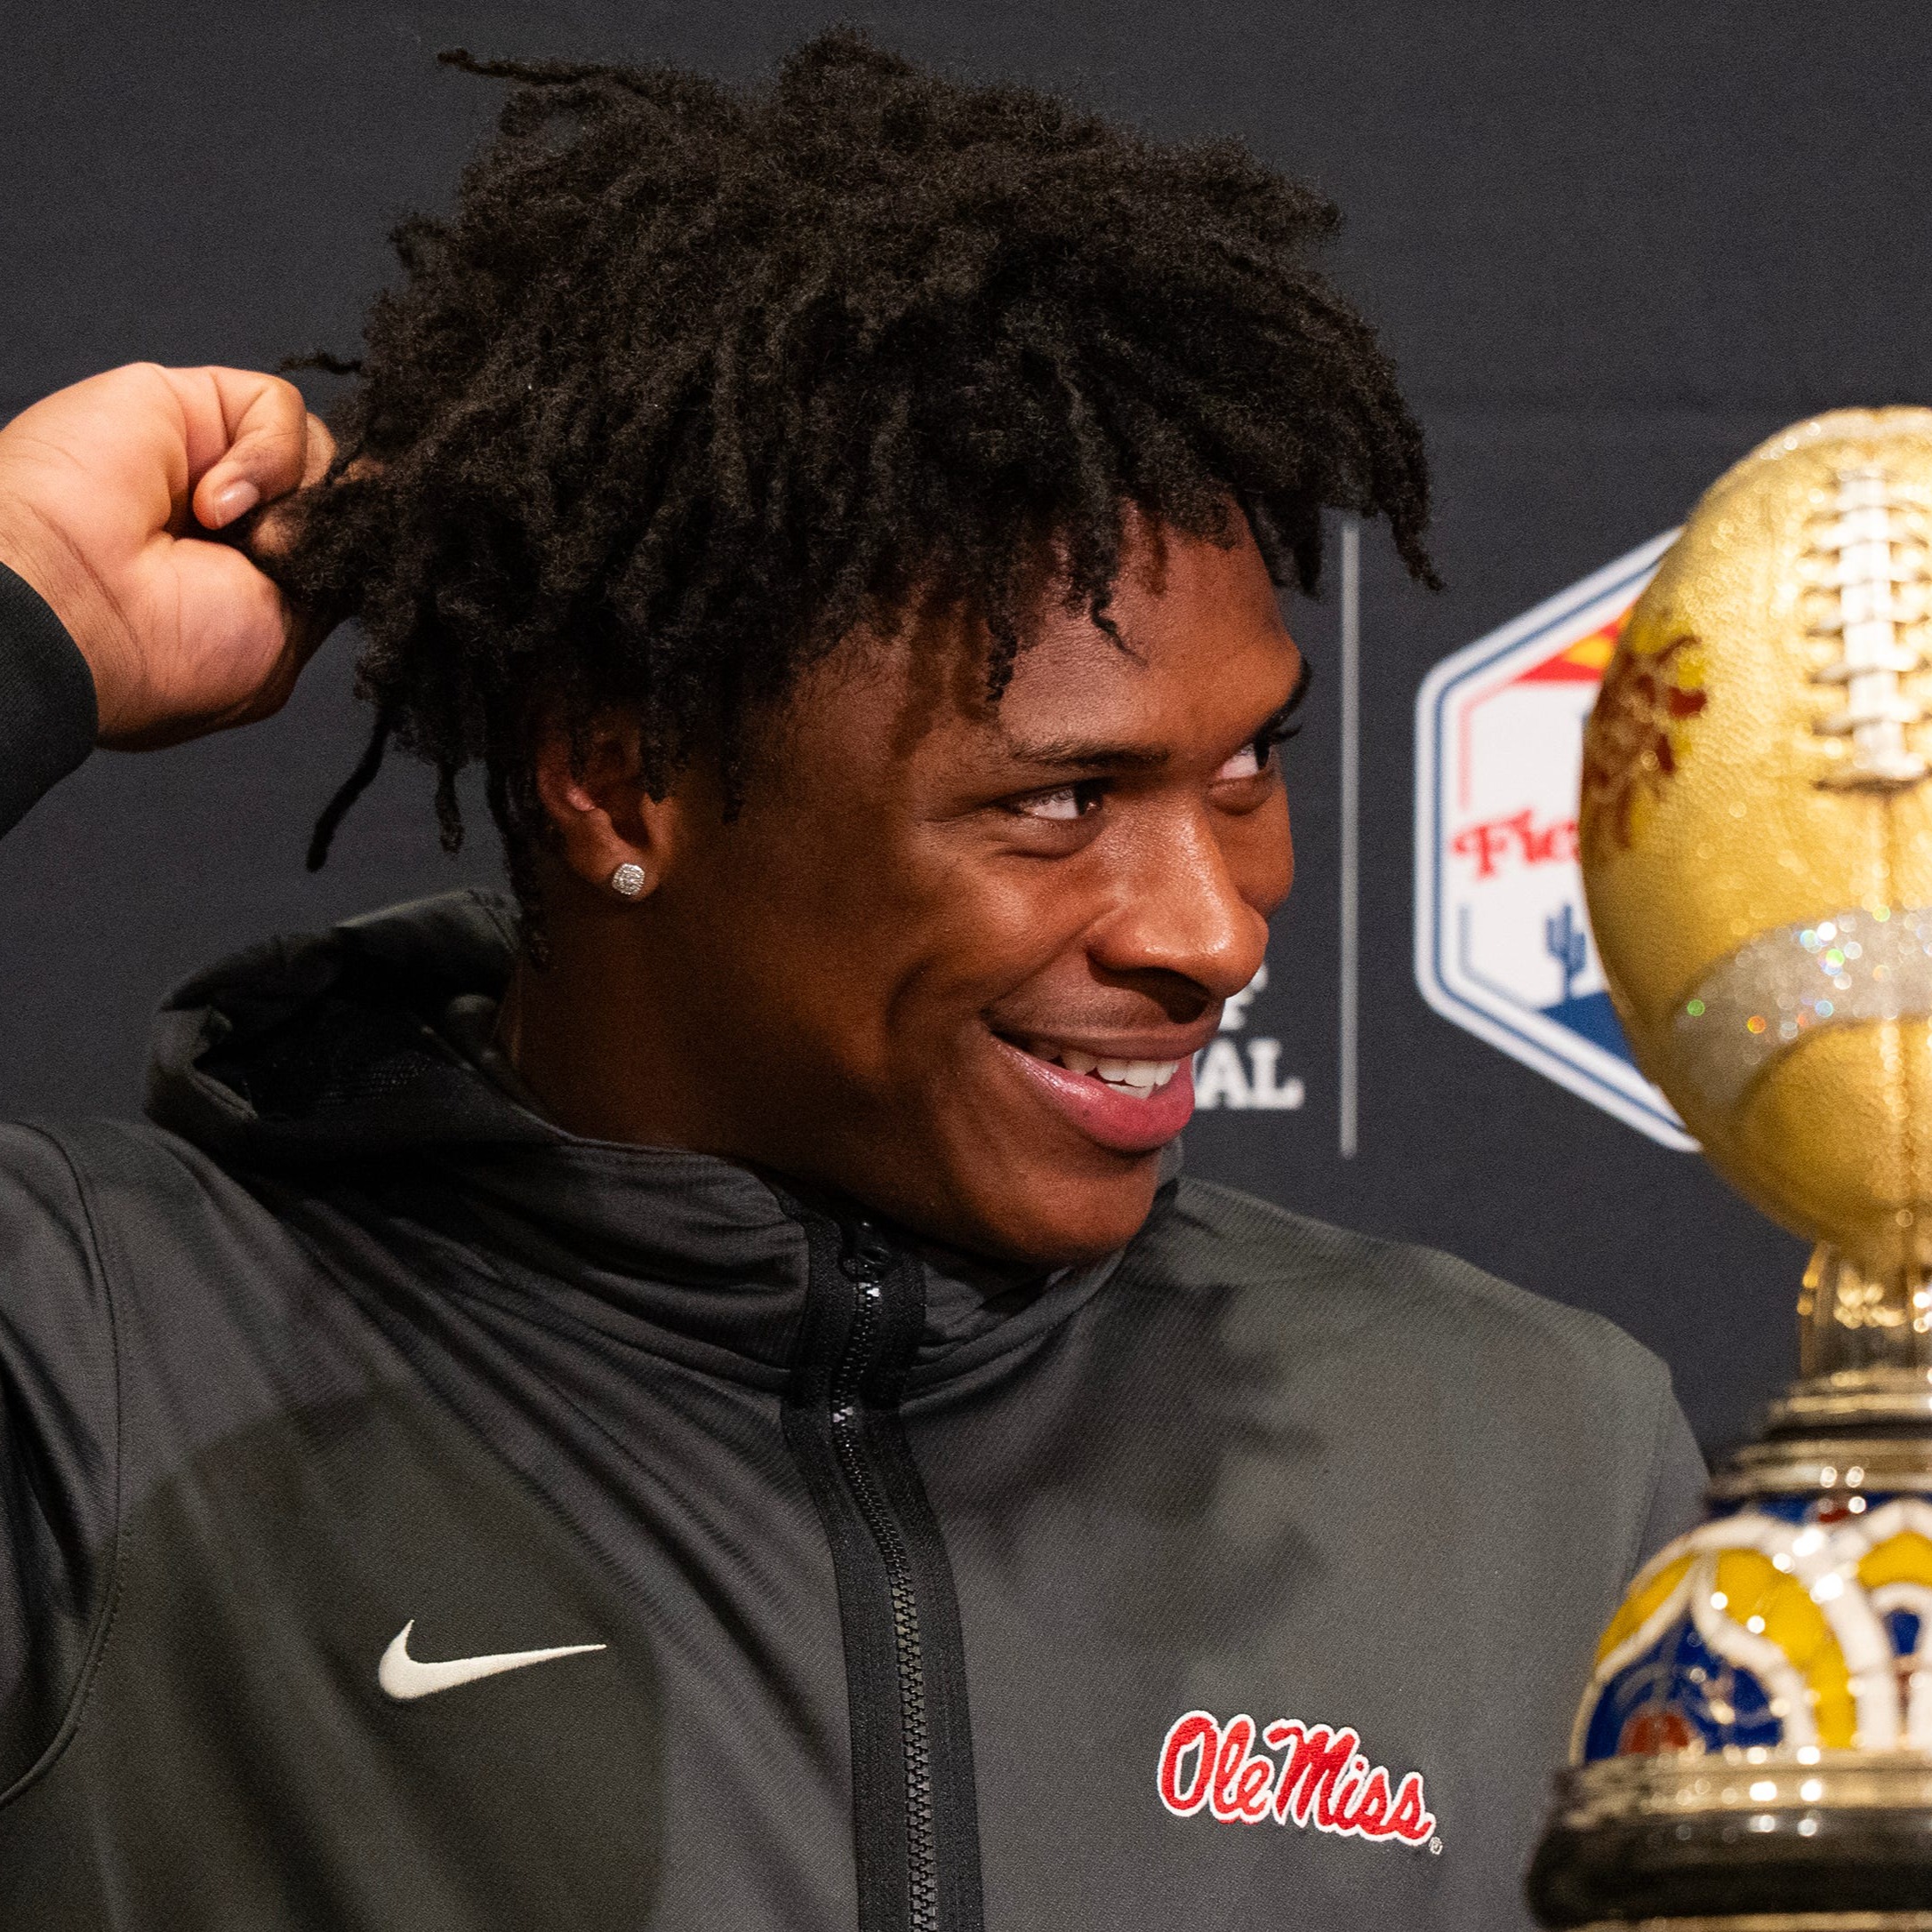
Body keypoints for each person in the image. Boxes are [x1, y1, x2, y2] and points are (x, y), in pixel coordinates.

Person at [0, 33, 1701, 1932]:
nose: (1213, 927)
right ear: (620, 782)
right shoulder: (86, 1374)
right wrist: (25, 597)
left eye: (1244, 767)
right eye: (1061, 797)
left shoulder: (1535, 1457)